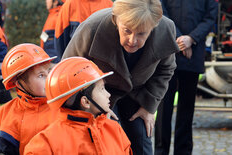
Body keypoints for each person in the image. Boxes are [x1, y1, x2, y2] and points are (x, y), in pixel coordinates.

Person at [62, 0, 180, 154]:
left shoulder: (166, 29)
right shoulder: (91, 28)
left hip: (139, 94)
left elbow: (166, 69)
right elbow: (68, 70)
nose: (132, 40)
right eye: (127, 31)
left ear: (154, 25)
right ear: (115, 20)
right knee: (105, 143)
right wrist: (91, 106)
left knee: (142, 142)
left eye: (141, 33)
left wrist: (149, 106)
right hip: (100, 94)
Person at [24, 57, 132, 154]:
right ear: (85, 102)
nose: (108, 94)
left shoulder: (114, 129)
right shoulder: (46, 143)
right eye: (101, 89)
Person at [0, 43, 61, 155]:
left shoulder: (62, 109)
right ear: (20, 83)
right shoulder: (4, 114)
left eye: (49, 72)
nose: (49, 78)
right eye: (41, 75)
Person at [154, 0, 218, 154]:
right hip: (168, 51)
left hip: (193, 55)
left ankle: (183, 151)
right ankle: (160, 151)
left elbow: (211, 17)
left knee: (187, 108)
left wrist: (191, 39)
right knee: (163, 108)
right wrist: (181, 39)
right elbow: (161, 11)